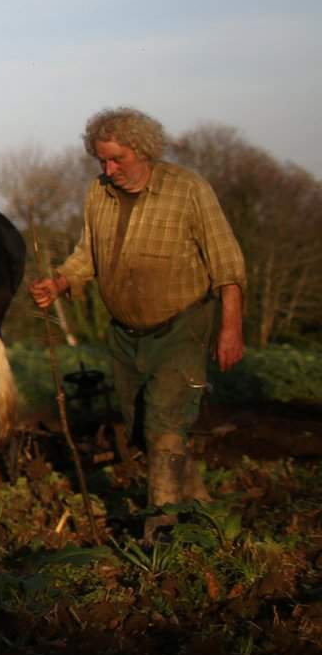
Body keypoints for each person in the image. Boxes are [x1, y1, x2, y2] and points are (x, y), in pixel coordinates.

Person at [29, 107, 245, 512]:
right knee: (144, 430)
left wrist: (230, 328)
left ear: (144, 152)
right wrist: (58, 283)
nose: (109, 170)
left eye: (117, 159)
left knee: (164, 424)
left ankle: (160, 533)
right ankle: (199, 505)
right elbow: (88, 254)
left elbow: (227, 264)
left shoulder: (188, 189)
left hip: (182, 325)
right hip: (126, 334)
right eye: (102, 160)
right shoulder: (99, 193)